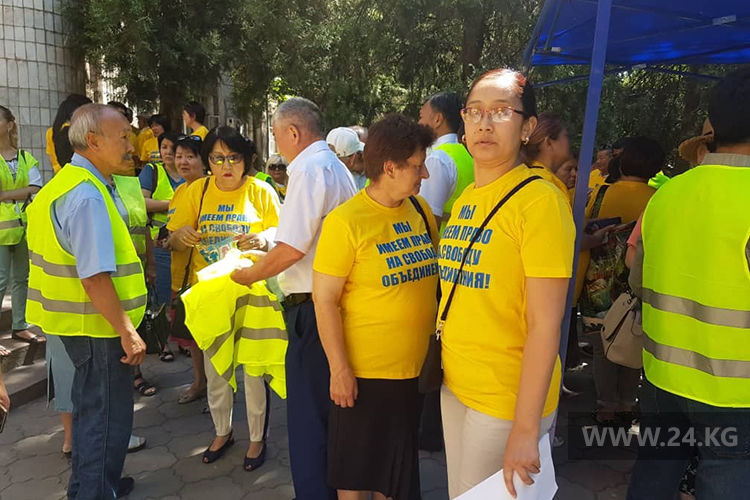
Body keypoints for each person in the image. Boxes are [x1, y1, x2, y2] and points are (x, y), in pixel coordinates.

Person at [437, 68, 574, 499]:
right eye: (474, 111)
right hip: (456, 382)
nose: (485, 123)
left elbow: (546, 325)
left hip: (505, 398)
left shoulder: (540, 202)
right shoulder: (467, 198)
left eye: (501, 112)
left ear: (527, 127)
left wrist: (525, 429)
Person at [627, 68, 750, 500]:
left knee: (654, 474)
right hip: (735, 395)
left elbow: (637, 280)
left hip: (662, 377)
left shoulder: (666, 196)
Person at [230, 97, 357, 500]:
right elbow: (304, 234)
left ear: (294, 132)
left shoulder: (307, 168)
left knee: (309, 421)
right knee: (328, 416)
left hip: (313, 308)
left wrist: (249, 275)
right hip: (333, 304)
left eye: (275, 134)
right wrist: (267, 241)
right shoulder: (334, 166)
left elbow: (294, 249)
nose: (276, 145)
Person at [26, 103, 148, 498]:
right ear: (93, 141)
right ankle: (95, 491)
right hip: (99, 328)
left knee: (90, 412)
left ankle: (91, 486)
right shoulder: (87, 195)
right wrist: (127, 332)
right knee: (106, 420)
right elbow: (94, 276)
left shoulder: (63, 184)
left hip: (79, 324)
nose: (131, 146)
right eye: (124, 137)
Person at [314, 114, 437, 500]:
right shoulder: (346, 222)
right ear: (390, 167)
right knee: (356, 474)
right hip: (364, 376)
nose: (425, 174)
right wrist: (339, 370)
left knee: (396, 476)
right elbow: (325, 300)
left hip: (413, 374)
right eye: (417, 166)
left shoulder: (420, 211)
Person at [169, 126, 279, 470]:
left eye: (233, 157)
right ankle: (222, 432)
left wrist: (264, 240)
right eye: (217, 158)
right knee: (216, 367)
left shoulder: (261, 190)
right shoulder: (197, 191)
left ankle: (257, 438)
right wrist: (179, 235)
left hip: (253, 293)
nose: (226, 165)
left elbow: (282, 235)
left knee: (254, 369)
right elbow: (170, 238)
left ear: (246, 160)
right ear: (208, 161)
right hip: (211, 295)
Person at [578, 136, 663, 425]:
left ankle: (606, 405)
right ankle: (627, 402)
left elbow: (584, 229)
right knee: (634, 339)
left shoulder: (601, 193)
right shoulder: (658, 199)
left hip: (598, 284)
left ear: (622, 162)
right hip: (639, 282)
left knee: (602, 347)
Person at [165, 135, 207, 403]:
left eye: (190, 156)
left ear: (204, 161)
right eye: (179, 156)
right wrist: (170, 240)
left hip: (202, 277)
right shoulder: (180, 190)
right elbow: (173, 234)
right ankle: (201, 382)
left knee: (206, 338)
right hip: (180, 276)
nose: (183, 161)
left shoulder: (208, 189)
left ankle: (214, 390)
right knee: (193, 339)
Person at [0, 106, 44, 353]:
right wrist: (21, 192)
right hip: (1, 231)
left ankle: (19, 325)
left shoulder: (25, 157)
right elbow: (29, 188)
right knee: (0, 280)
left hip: (23, 227)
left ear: (10, 124)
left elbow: (36, 187)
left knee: (21, 278)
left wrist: (6, 194)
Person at [417, 91, 474, 226]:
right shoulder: (467, 154)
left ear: (437, 120)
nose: (418, 122)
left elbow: (428, 218)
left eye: (421, 117)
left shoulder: (437, 159)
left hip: (442, 238)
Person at [524, 112, 572, 196]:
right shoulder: (549, 189)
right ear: (549, 142)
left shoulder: (523, 176)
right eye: (566, 136)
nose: (569, 142)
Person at [48, 94, 92, 174]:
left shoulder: (50, 132)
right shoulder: (79, 131)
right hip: (81, 173)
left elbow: (52, 158)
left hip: (60, 174)